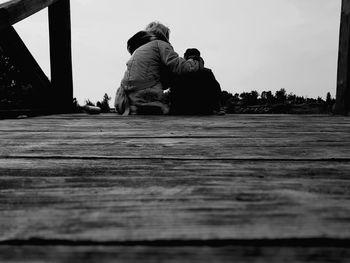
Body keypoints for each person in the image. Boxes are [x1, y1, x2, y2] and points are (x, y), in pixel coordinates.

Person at [114, 22, 202, 115]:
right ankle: (145, 106)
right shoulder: (160, 44)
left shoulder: (139, 49)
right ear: (164, 35)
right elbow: (180, 67)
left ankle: (135, 106)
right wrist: (195, 61)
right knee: (180, 76)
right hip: (146, 95)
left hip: (124, 97)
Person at [169, 48, 222, 115]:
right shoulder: (207, 72)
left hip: (180, 110)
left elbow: (172, 92)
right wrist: (217, 109)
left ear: (185, 57)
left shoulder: (177, 72)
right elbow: (217, 91)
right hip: (204, 110)